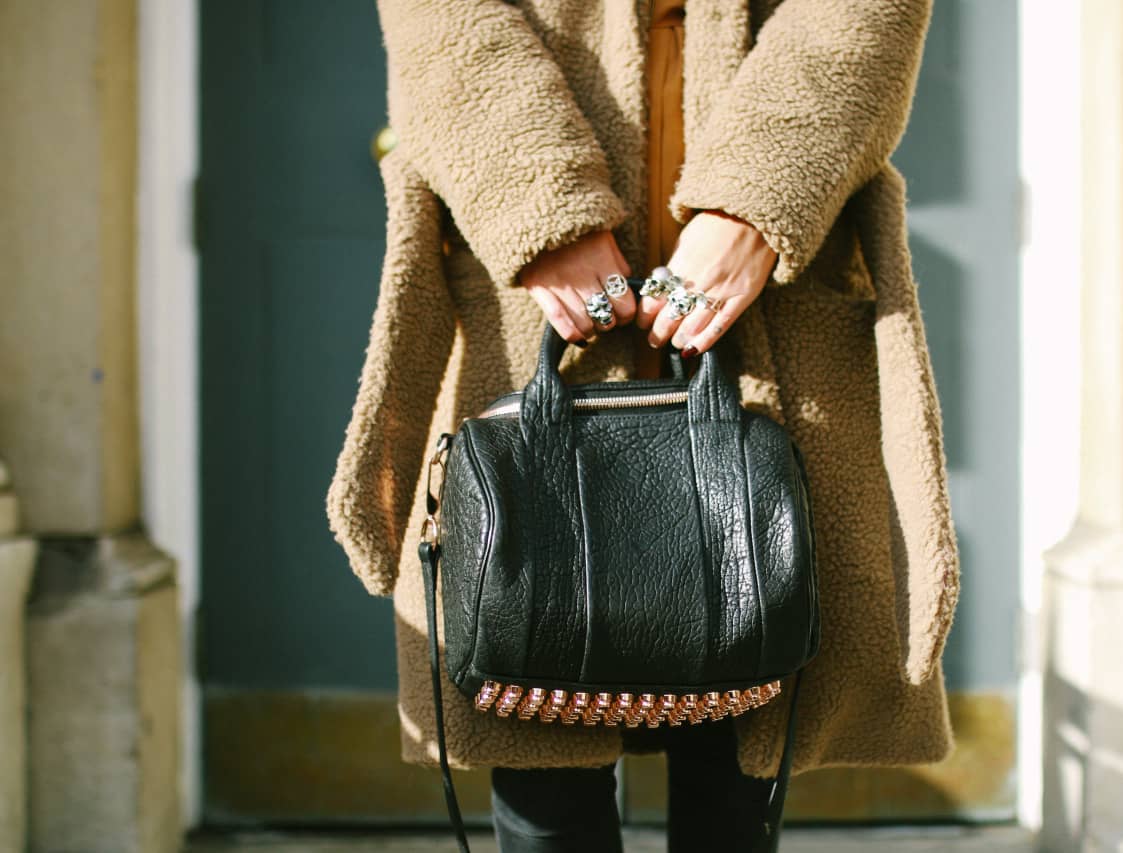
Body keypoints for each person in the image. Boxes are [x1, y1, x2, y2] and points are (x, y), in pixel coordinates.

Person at [328, 0, 960, 850]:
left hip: (767, 289)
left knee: (744, 743)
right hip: (536, 287)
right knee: (539, 730)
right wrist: (536, 199)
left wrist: (754, 201)